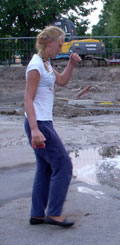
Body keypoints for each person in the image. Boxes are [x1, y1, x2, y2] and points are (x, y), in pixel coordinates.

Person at [24, 26, 81, 227]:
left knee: (45, 168)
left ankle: (37, 214)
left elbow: (63, 81)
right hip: (38, 123)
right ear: (49, 43)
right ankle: (54, 213)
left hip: (43, 122)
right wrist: (34, 129)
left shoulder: (46, 64)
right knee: (64, 166)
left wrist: (71, 64)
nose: (60, 48)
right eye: (59, 44)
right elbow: (27, 100)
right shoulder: (36, 66)